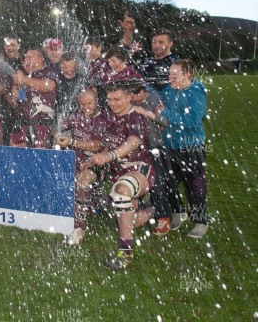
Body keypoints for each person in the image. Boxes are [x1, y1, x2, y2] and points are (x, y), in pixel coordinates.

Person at [82, 82, 156, 270]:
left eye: (117, 99)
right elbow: (108, 144)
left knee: (121, 192)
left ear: (129, 97)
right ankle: (156, 210)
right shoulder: (109, 119)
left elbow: (132, 142)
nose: (113, 103)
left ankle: (125, 253)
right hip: (118, 171)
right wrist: (96, 158)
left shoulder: (136, 117)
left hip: (139, 169)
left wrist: (110, 155)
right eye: (110, 99)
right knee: (127, 219)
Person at [158, 59, 209, 238]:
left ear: (187, 74)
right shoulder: (170, 91)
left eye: (175, 74)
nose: (170, 77)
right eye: (170, 73)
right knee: (167, 181)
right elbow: (156, 98)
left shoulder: (197, 92)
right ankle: (178, 211)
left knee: (195, 185)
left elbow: (192, 121)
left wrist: (166, 113)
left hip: (192, 147)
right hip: (170, 146)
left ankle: (200, 221)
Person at [57, 89, 108, 245]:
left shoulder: (104, 118)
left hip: (97, 162)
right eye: (82, 103)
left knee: (83, 182)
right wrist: (58, 134)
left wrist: (72, 142)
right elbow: (59, 128)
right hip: (75, 159)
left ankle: (79, 228)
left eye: (89, 103)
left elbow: (98, 144)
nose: (86, 106)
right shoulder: (75, 116)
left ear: (97, 101)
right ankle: (96, 201)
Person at [130, 83, 172, 235]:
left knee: (158, 183)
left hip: (156, 148)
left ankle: (164, 217)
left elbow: (165, 122)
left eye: (134, 96)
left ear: (143, 91)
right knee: (140, 181)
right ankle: (143, 213)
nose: (132, 99)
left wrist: (145, 113)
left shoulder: (155, 99)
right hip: (140, 149)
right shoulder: (134, 101)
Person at [7, 48, 58, 148]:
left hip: (42, 125)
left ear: (41, 59)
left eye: (30, 57)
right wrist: (15, 93)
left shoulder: (50, 71)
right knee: (15, 156)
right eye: (25, 57)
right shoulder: (23, 75)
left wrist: (24, 80)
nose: (26, 59)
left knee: (40, 159)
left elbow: (49, 86)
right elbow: (19, 101)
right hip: (22, 124)